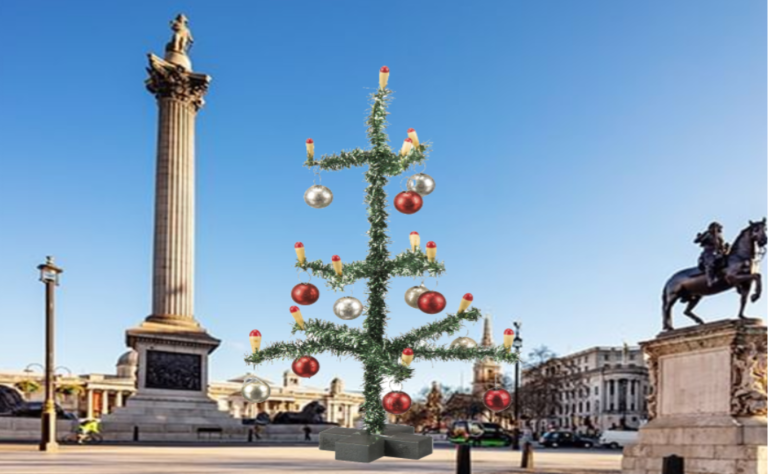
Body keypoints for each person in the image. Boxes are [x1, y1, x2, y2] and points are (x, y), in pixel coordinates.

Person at [695, 222, 729, 287]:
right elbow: (696, 241)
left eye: (719, 228)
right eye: (717, 228)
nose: (719, 229)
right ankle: (710, 280)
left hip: (718, 251)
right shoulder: (707, 234)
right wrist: (700, 237)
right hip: (708, 252)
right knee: (710, 264)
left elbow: (721, 244)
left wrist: (725, 248)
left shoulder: (719, 235)